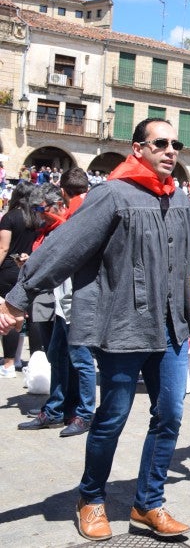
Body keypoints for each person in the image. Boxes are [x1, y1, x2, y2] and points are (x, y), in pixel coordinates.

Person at [0, 118, 190, 541]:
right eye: (161, 143)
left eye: (177, 143)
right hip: (124, 327)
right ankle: (90, 497)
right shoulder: (112, 194)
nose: (172, 150)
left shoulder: (180, 198)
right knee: (112, 415)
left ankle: (148, 503)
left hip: (171, 326)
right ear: (138, 149)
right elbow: (64, 248)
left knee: (169, 414)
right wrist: (18, 298)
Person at [17, 169, 96, 437]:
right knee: (59, 357)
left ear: (61, 196)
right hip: (63, 301)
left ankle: (84, 414)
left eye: (42, 208)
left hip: (78, 300)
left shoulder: (80, 218)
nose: (39, 213)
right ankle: (56, 410)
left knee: (82, 361)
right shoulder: (68, 220)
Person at [0, 182, 42, 377]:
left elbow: (3, 248)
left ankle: (9, 363)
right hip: (30, 268)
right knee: (32, 318)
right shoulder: (36, 218)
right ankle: (34, 363)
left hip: (9, 269)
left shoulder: (10, 217)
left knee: (9, 315)